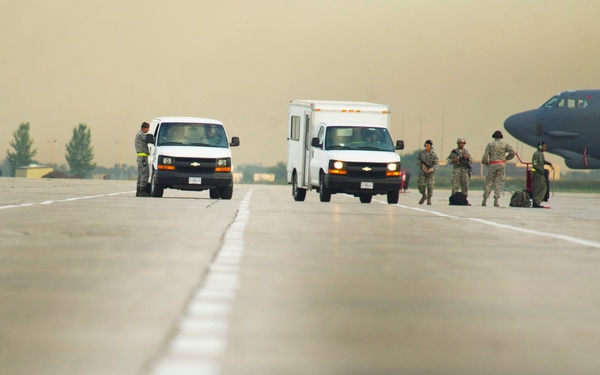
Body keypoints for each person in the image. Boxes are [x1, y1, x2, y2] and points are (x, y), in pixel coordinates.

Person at [482, 130, 515, 207]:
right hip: (501, 164)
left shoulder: (490, 144)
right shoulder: (504, 144)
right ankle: (496, 200)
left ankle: (485, 199)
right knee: (498, 183)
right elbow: (513, 152)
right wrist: (506, 159)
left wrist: (486, 163)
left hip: (492, 164)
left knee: (489, 182)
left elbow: (485, 156)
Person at [531, 141, 553, 208]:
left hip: (541, 174)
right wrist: (541, 170)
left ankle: (537, 201)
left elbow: (543, 161)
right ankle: (535, 202)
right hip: (537, 174)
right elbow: (535, 164)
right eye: (544, 146)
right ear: (540, 147)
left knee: (544, 187)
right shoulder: (536, 154)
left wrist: (549, 163)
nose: (545, 148)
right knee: (537, 188)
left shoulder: (541, 154)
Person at [417, 139, 439, 205]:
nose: (426, 147)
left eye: (428, 146)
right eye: (425, 146)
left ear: (431, 147)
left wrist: (432, 169)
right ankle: (424, 195)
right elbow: (418, 159)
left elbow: (436, 163)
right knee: (420, 184)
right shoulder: (422, 153)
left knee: (430, 185)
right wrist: (420, 164)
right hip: (423, 171)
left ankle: (429, 198)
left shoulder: (434, 154)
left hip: (430, 173)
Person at [135, 122, 151, 197]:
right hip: (143, 157)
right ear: (144, 128)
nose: (148, 130)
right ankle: (142, 190)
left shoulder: (139, 134)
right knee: (144, 174)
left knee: (140, 174)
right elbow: (148, 139)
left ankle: (138, 190)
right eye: (148, 128)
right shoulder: (141, 134)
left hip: (141, 157)